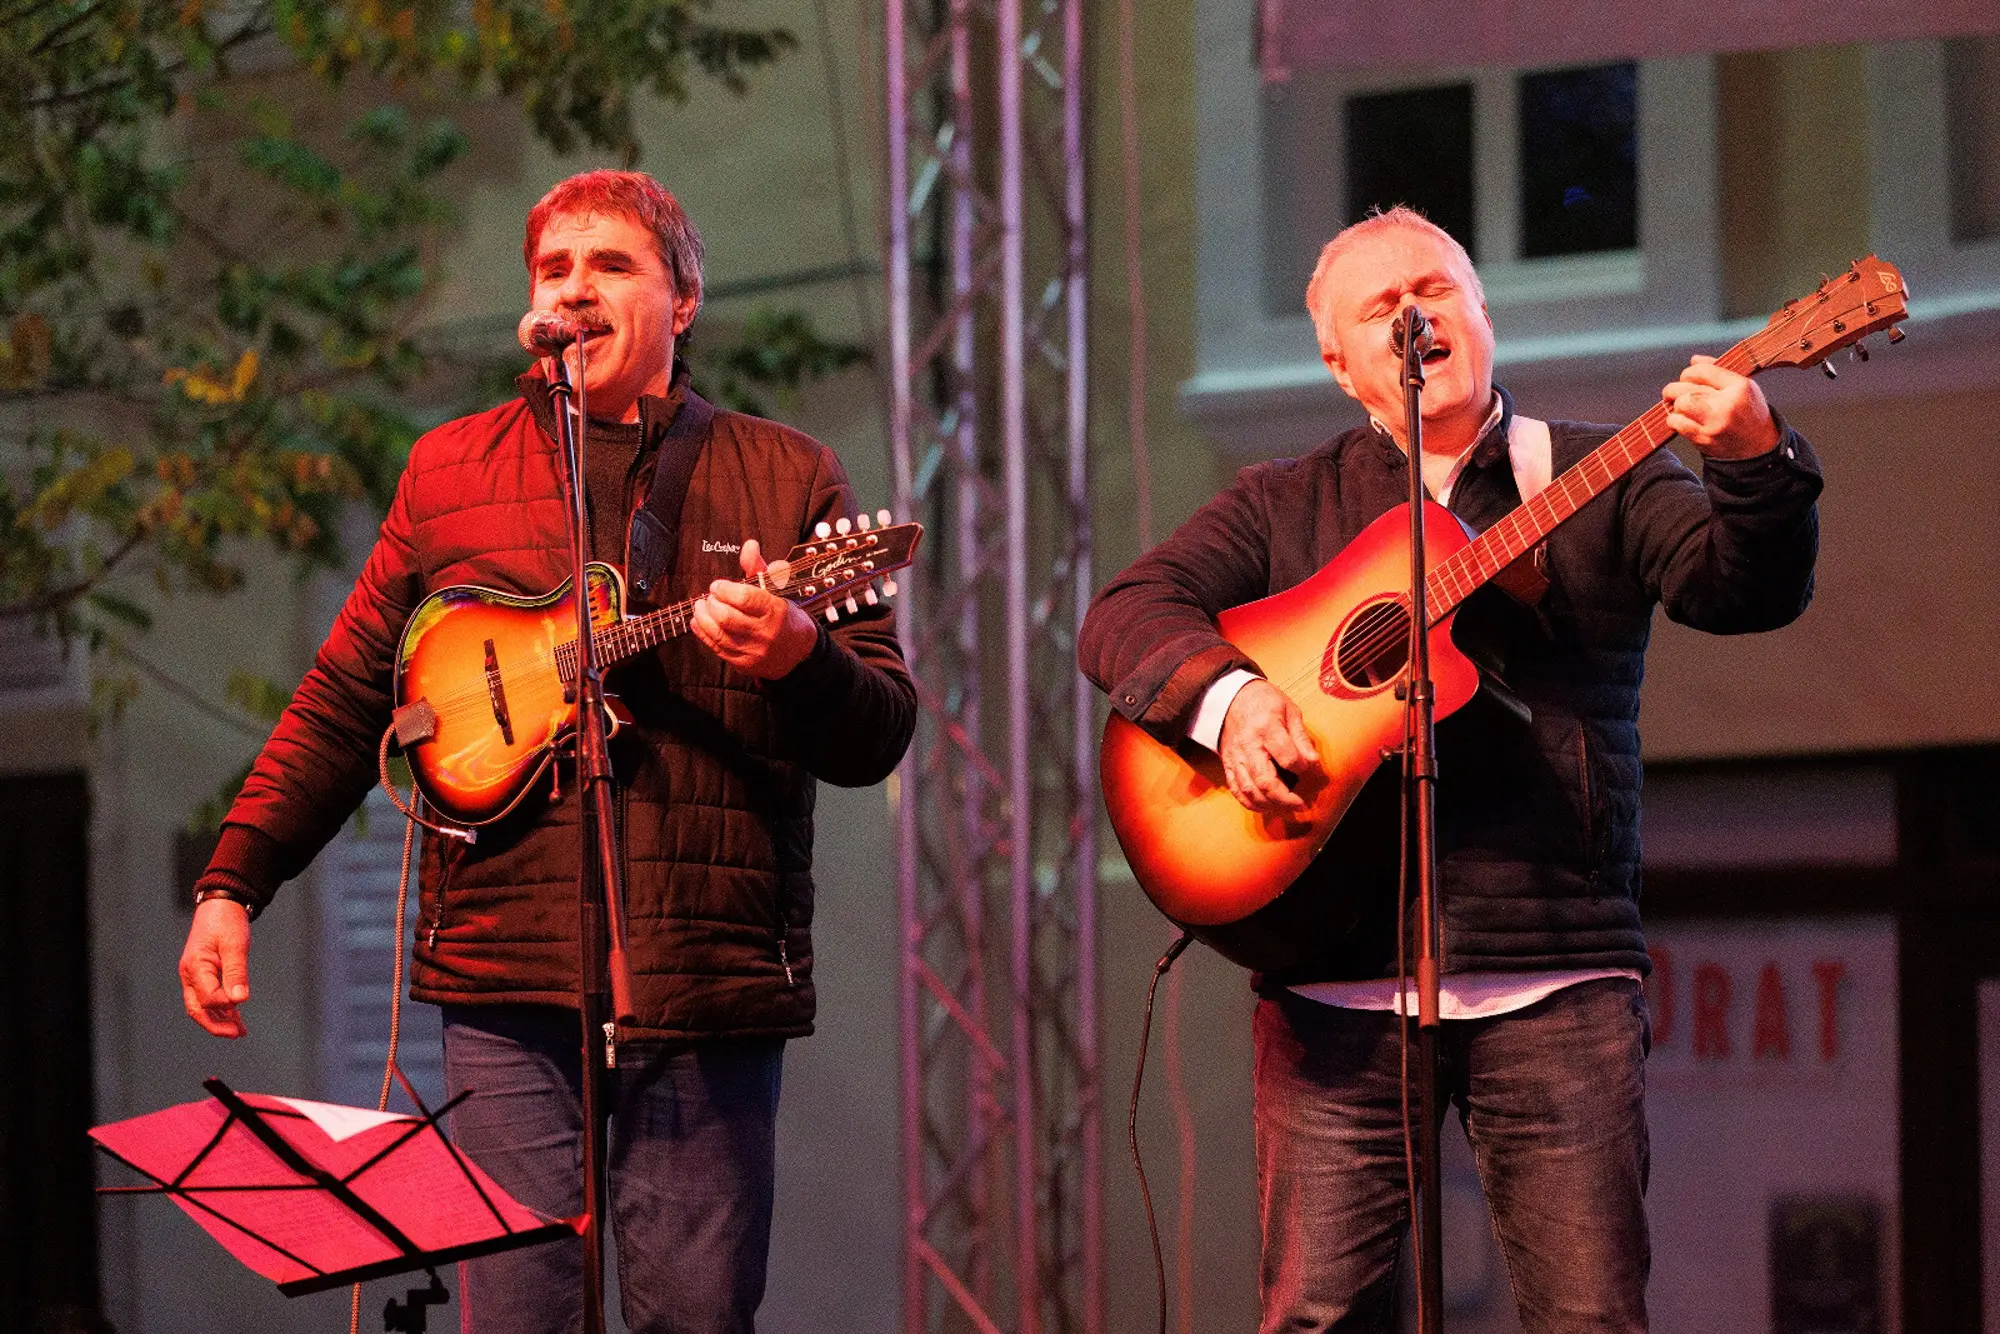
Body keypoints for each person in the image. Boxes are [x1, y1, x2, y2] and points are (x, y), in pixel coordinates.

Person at [177, 169, 915, 1333]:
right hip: (502, 977)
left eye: (610, 265)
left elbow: (878, 729)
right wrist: (234, 879)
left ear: (682, 301)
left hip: (703, 977)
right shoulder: (447, 472)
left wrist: (797, 653)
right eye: (553, 269)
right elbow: (344, 695)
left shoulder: (786, 473)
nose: (574, 289)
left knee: (696, 1317)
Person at [1078, 207, 1821, 1332]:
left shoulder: (1599, 472)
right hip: (1331, 976)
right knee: (1316, 1318)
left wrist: (1757, 461)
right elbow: (1125, 611)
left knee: (1589, 1318)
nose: (1413, 316)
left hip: (1557, 969)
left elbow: (1742, 593)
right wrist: (1231, 702)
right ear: (1339, 364)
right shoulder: (1285, 500)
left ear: (1480, 313)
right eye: (1380, 307)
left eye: (1433, 289)